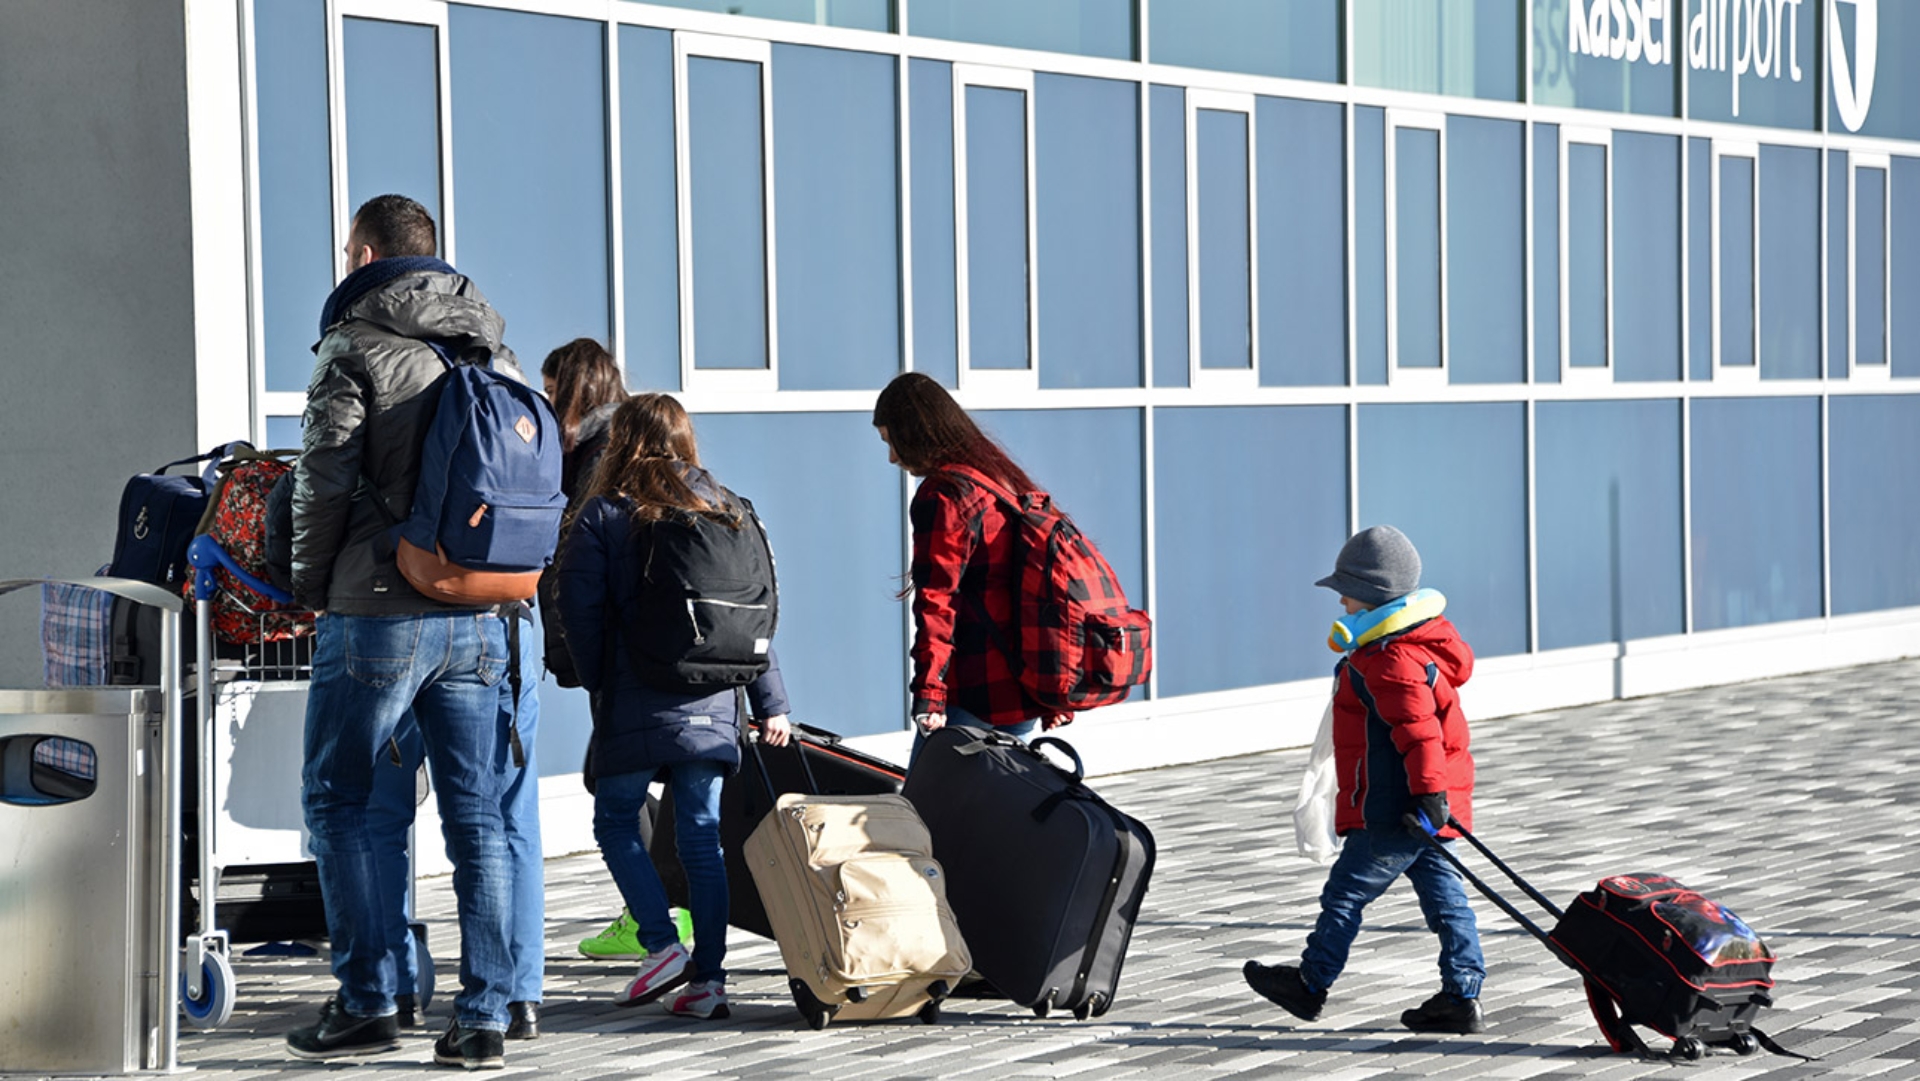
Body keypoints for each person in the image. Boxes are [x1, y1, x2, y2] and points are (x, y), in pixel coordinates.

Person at [287, 193, 532, 1069]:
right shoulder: (491, 348)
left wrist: (311, 587)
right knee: (478, 818)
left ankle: (367, 1000)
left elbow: (322, 479)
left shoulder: (355, 345)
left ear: (362, 252)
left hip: (379, 608)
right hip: (477, 610)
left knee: (339, 800)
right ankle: (487, 1016)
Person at [556, 392, 794, 1021]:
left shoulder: (607, 512)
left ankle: (661, 943)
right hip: (717, 697)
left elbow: (577, 610)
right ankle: (708, 983)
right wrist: (772, 704)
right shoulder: (730, 507)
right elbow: (754, 617)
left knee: (615, 821)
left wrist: (597, 679)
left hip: (635, 692)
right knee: (700, 838)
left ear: (621, 443)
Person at [1243, 525, 1488, 1035]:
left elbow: (1419, 736)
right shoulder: (1408, 647)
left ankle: (1311, 985)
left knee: (1344, 897)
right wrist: (1435, 802)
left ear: (1372, 595)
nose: (1341, 602)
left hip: (1395, 811)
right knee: (1448, 904)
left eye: (1346, 593)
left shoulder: (1389, 659)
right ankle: (1462, 996)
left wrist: (1427, 796)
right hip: (1424, 810)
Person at [870, 372, 1068, 760]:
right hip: (1020, 687)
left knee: (927, 813)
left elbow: (937, 602)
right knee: (1002, 809)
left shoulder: (944, 494)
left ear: (916, 432)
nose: (892, 457)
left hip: (974, 692)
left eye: (891, 441)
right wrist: (1052, 693)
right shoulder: (1002, 480)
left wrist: (929, 694)